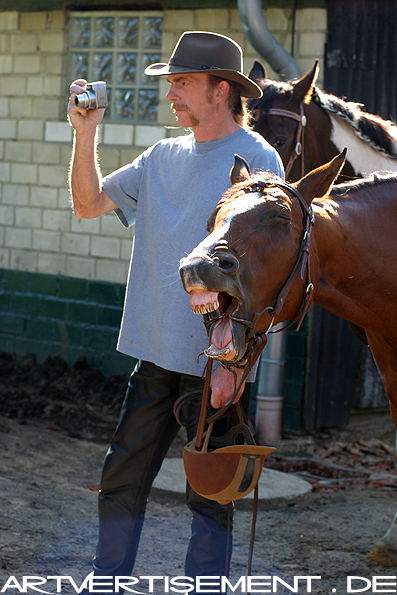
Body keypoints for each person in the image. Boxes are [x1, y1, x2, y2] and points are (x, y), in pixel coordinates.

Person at [68, 31, 284, 590]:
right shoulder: (161, 156)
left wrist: (232, 364)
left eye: (182, 82)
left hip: (217, 363)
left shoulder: (260, 161)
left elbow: (267, 271)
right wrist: (85, 134)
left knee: (211, 495)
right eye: (172, 83)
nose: (172, 94)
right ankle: (106, 579)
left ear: (221, 91)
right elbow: (88, 205)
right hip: (154, 353)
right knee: (120, 479)